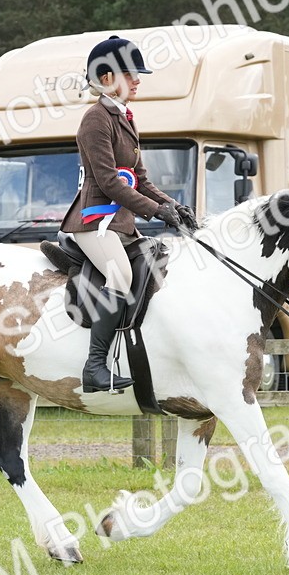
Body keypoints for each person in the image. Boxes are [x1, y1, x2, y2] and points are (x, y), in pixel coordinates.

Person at [61, 35, 192, 393]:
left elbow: (140, 179)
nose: (137, 80)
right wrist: (157, 212)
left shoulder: (125, 118)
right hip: (93, 221)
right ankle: (94, 367)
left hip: (120, 225)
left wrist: (174, 207)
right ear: (106, 78)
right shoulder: (95, 120)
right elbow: (109, 182)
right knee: (118, 276)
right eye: (130, 74)